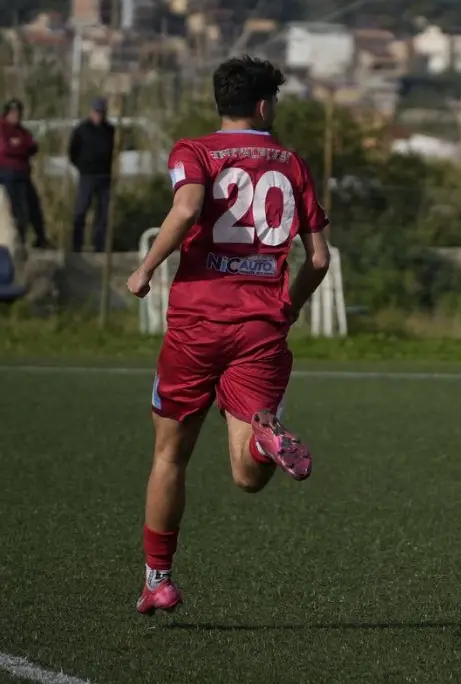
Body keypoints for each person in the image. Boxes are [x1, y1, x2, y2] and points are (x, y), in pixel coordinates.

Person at [126, 56, 332, 616]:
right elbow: (318, 258)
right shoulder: (293, 163)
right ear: (264, 105)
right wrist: (289, 307)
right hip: (262, 328)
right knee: (246, 475)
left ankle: (159, 580)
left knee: (170, 456)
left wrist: (146, 268)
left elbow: (188, 207)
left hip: (197, 326)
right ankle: (265, 440)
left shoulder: (193, 151)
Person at [0, 99, 49, 249]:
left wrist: (19, 146)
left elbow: (33, 146)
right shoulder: (2, 128)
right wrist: (21, 147)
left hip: (23, 173)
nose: (16, 116)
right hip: (7, 173)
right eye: (13, 112)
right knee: (16, 208)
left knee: (33, 206)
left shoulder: (22, 131)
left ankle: (40, 238)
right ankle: (18, 240)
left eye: (18, 113)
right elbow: (5, 149)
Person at [69, 97, 116, 252]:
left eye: (101, 112)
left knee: (102, 213)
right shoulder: (82, 130)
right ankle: (77, 245)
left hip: (105, 176)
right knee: (81, 210)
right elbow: (72, 151)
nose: (98, 115)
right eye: (96, 112)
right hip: (87, 176)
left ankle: (99, 245)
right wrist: (82, 166)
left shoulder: (110, 130)